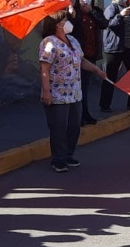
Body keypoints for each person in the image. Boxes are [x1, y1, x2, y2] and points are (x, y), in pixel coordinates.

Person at [39, 10, 107, 172]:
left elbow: (81, 60)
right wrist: (46, 91)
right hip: (57, 94)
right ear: (57, 24)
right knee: (59, 127)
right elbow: (44, 68)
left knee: (74, 126)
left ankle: (68, 155)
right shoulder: (49, 43)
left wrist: (96, 70)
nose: (68, 22)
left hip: (75, 92)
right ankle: (58, 159)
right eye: (65, 20)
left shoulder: (73, 40)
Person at [69, 0, 108, 125]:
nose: (85, 0)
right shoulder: (75, 12)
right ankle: (79, 116)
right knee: (79, 87)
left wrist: (92, 12)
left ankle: (85, 113)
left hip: (91, 54)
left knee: (85, 86)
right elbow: (69, 30)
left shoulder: (95, 11)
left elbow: (104, 24)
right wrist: (72, 16)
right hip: (78, 55)